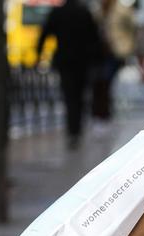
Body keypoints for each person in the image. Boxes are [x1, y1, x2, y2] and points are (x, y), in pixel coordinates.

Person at [37, 0, 101, 148]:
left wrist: (38, 53)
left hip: (65, 61)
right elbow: (94, 37)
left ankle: (73, 131)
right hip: (82, 62)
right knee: (79, 95)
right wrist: (96, 59)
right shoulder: (84, 12)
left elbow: (45, 33)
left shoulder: (58, 12)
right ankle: (76, 129)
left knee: (69, 96)